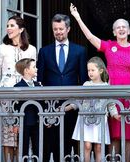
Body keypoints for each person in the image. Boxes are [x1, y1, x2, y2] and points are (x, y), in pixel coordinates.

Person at [70, 3, 130, 162]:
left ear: (129, 31)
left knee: (129, 135)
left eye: (124, 27)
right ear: (114, 32)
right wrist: (77, 17)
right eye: (118, 27)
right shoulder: (109, 46)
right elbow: (90, 37)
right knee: (114, 133)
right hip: (111, 93)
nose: (121, 29)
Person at [37, 13, 88, 161]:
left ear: (68, 29)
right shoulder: (44, 51)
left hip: (71, 105)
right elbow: (40, 80)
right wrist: (45, 107)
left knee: (68, 146)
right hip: (50, 106)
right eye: (55, 29)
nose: (58, 32)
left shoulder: (80, 51)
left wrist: (76, 104)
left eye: (61, 28)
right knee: (48, 146)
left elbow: (83, 80)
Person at [0, 15, 37, 162]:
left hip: (25, 97)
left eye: (12, 25)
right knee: (8, 138)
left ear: (21, 29)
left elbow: (34, 75)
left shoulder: (31, 50)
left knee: (23, 136)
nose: (8, 28)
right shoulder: (2, 48)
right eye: (7, 25)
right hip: (6, 97)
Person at [65, 56, 121, 162]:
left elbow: (111, 104)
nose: (90, 72)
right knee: (86, 145)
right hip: (85, 119)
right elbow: (79, 101)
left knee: (99, 147)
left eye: (92, 70)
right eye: (88, 70)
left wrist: (115, 115)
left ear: (100, 71)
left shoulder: (106, 86)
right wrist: (67, 108)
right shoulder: (86, 85)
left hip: (100, 120)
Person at [14, 58, 41, 161]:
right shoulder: (17, 86)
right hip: (24, 122)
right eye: (34, 67)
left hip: (37, 122)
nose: (36, 69)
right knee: (23, 148)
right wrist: (15, 123)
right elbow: (15, 106)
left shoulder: (38, 85)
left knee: (38, 148)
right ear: (26, 70)